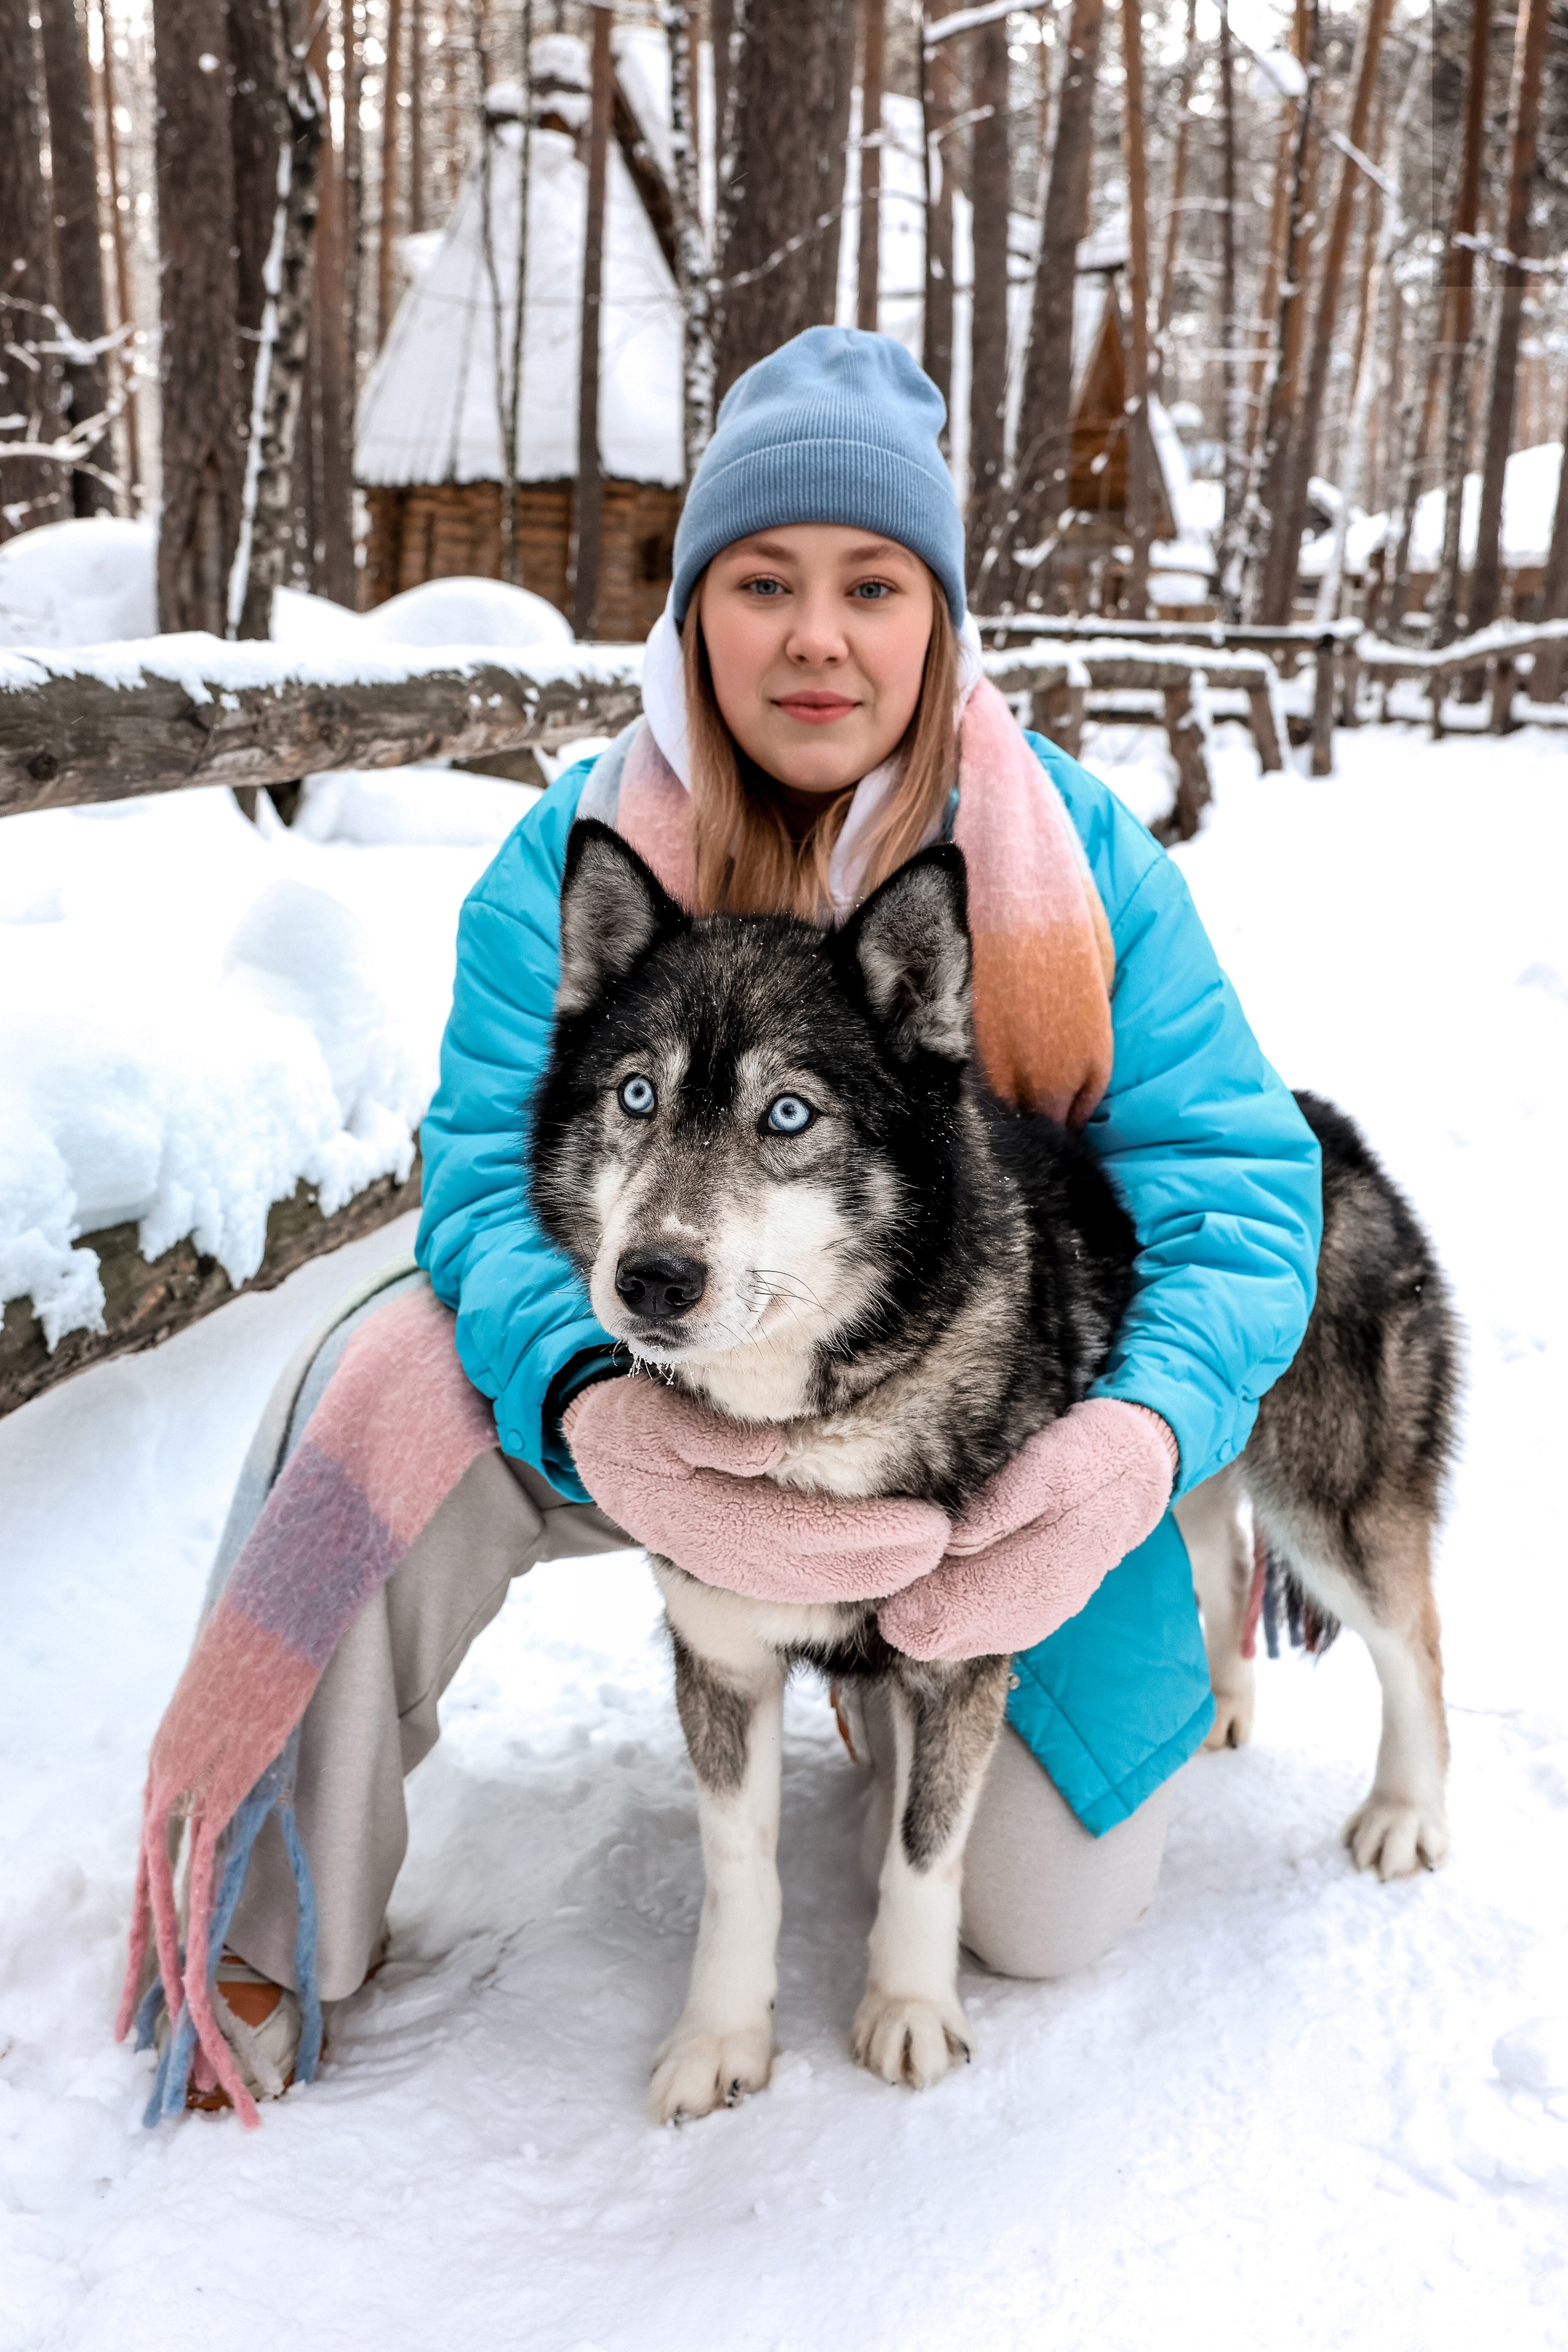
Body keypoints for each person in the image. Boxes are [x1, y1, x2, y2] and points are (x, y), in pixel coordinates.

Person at [129, 329, 1320, 2111]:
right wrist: (589, 1413)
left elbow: (1235, 1189)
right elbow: (477, 1182)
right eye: (763, 581)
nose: (817, 635)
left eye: (873, 585)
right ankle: (268, 1914)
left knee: (1052, 1921)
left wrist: (1142, 1447)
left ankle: (887, 1663)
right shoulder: (583, 853)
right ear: (695, 613)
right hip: (649, 1367)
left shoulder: (1074, 854)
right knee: (367, 1393)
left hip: (971, 1427)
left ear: (939, 622)